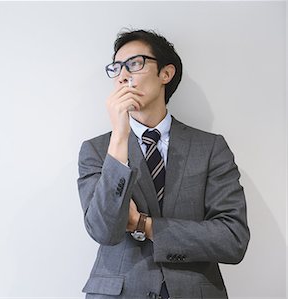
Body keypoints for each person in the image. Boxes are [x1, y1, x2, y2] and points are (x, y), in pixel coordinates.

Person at [77, 29, 250, 299]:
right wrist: (120, 136)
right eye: (116, 68)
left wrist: (144, 224)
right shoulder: (97, 150)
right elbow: (104, 230)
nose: (123, 76)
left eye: (134, 64)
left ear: (165, 74)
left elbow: (232, 239)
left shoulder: (210, 147)